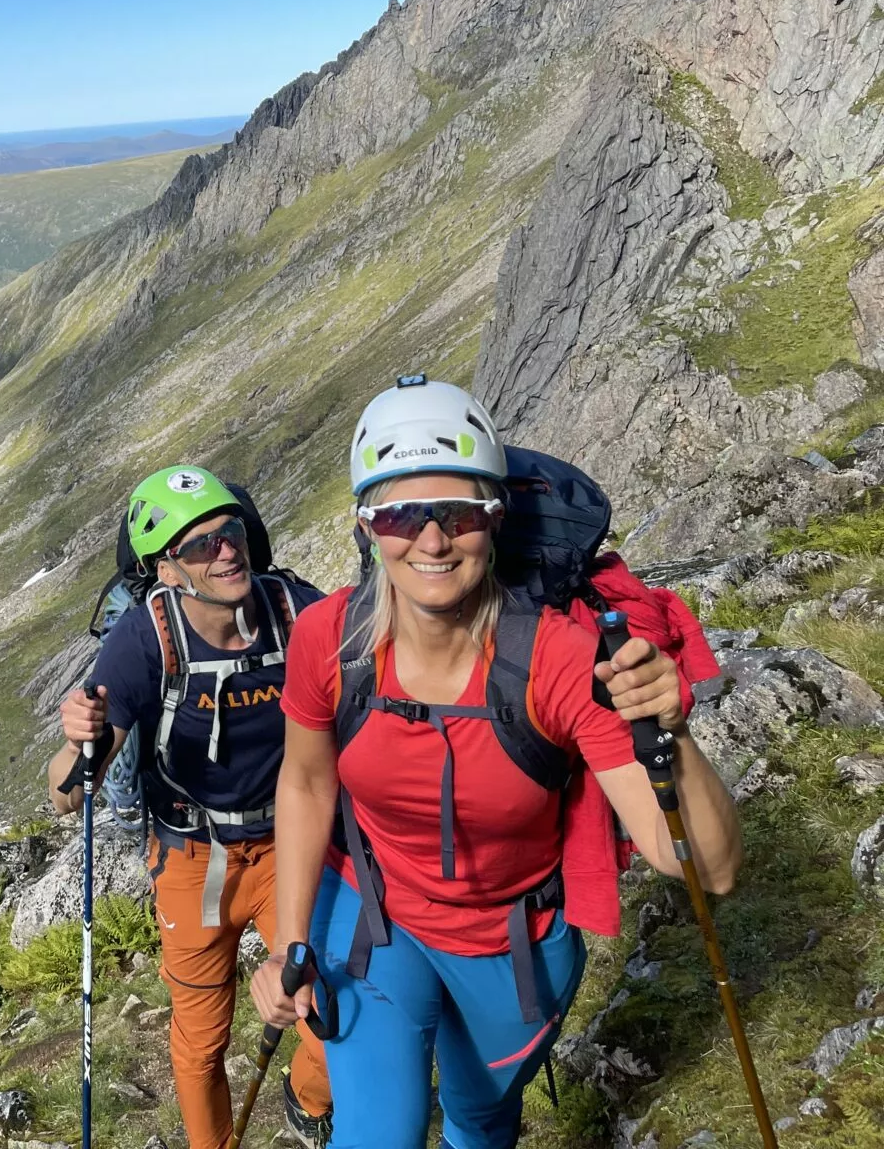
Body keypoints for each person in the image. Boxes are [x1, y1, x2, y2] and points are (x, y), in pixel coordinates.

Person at [249, 379, 743, 1149]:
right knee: (378, 1136)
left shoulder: (560, 661)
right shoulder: (330, 640)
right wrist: (287, 945)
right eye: (400, 514)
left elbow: (709, 870)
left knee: (482, 1127)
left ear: (496, 517)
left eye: (459, 513)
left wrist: (669, 733)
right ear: (366, 527)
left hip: (512, 945)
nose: (432, 540)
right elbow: (308, 781)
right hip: (371, 921)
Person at [50, 465, 334, 1149]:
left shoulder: (296, 609)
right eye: (200, 544)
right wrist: (75, 746)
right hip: (192, 858)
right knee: (201, 1041)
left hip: (293, 844)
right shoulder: (144, 639)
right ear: (168, 569)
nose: (225, 550)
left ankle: (308, 1098)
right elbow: (67, 796)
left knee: (329, 1008)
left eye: (230, 531)